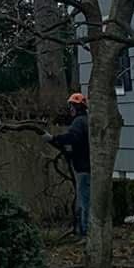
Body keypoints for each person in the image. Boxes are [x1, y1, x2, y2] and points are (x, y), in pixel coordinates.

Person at [48, 92, 91, 237]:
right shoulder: (87, 121)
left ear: (77, 107)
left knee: (84, 201)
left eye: (72, 106)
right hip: (87, 166)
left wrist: (55, 138)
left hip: (83, 168)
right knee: (85, 199)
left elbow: (72, 137)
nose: (70, 109)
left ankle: (85, 232)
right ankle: (83, 230)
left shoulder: (79, 122)